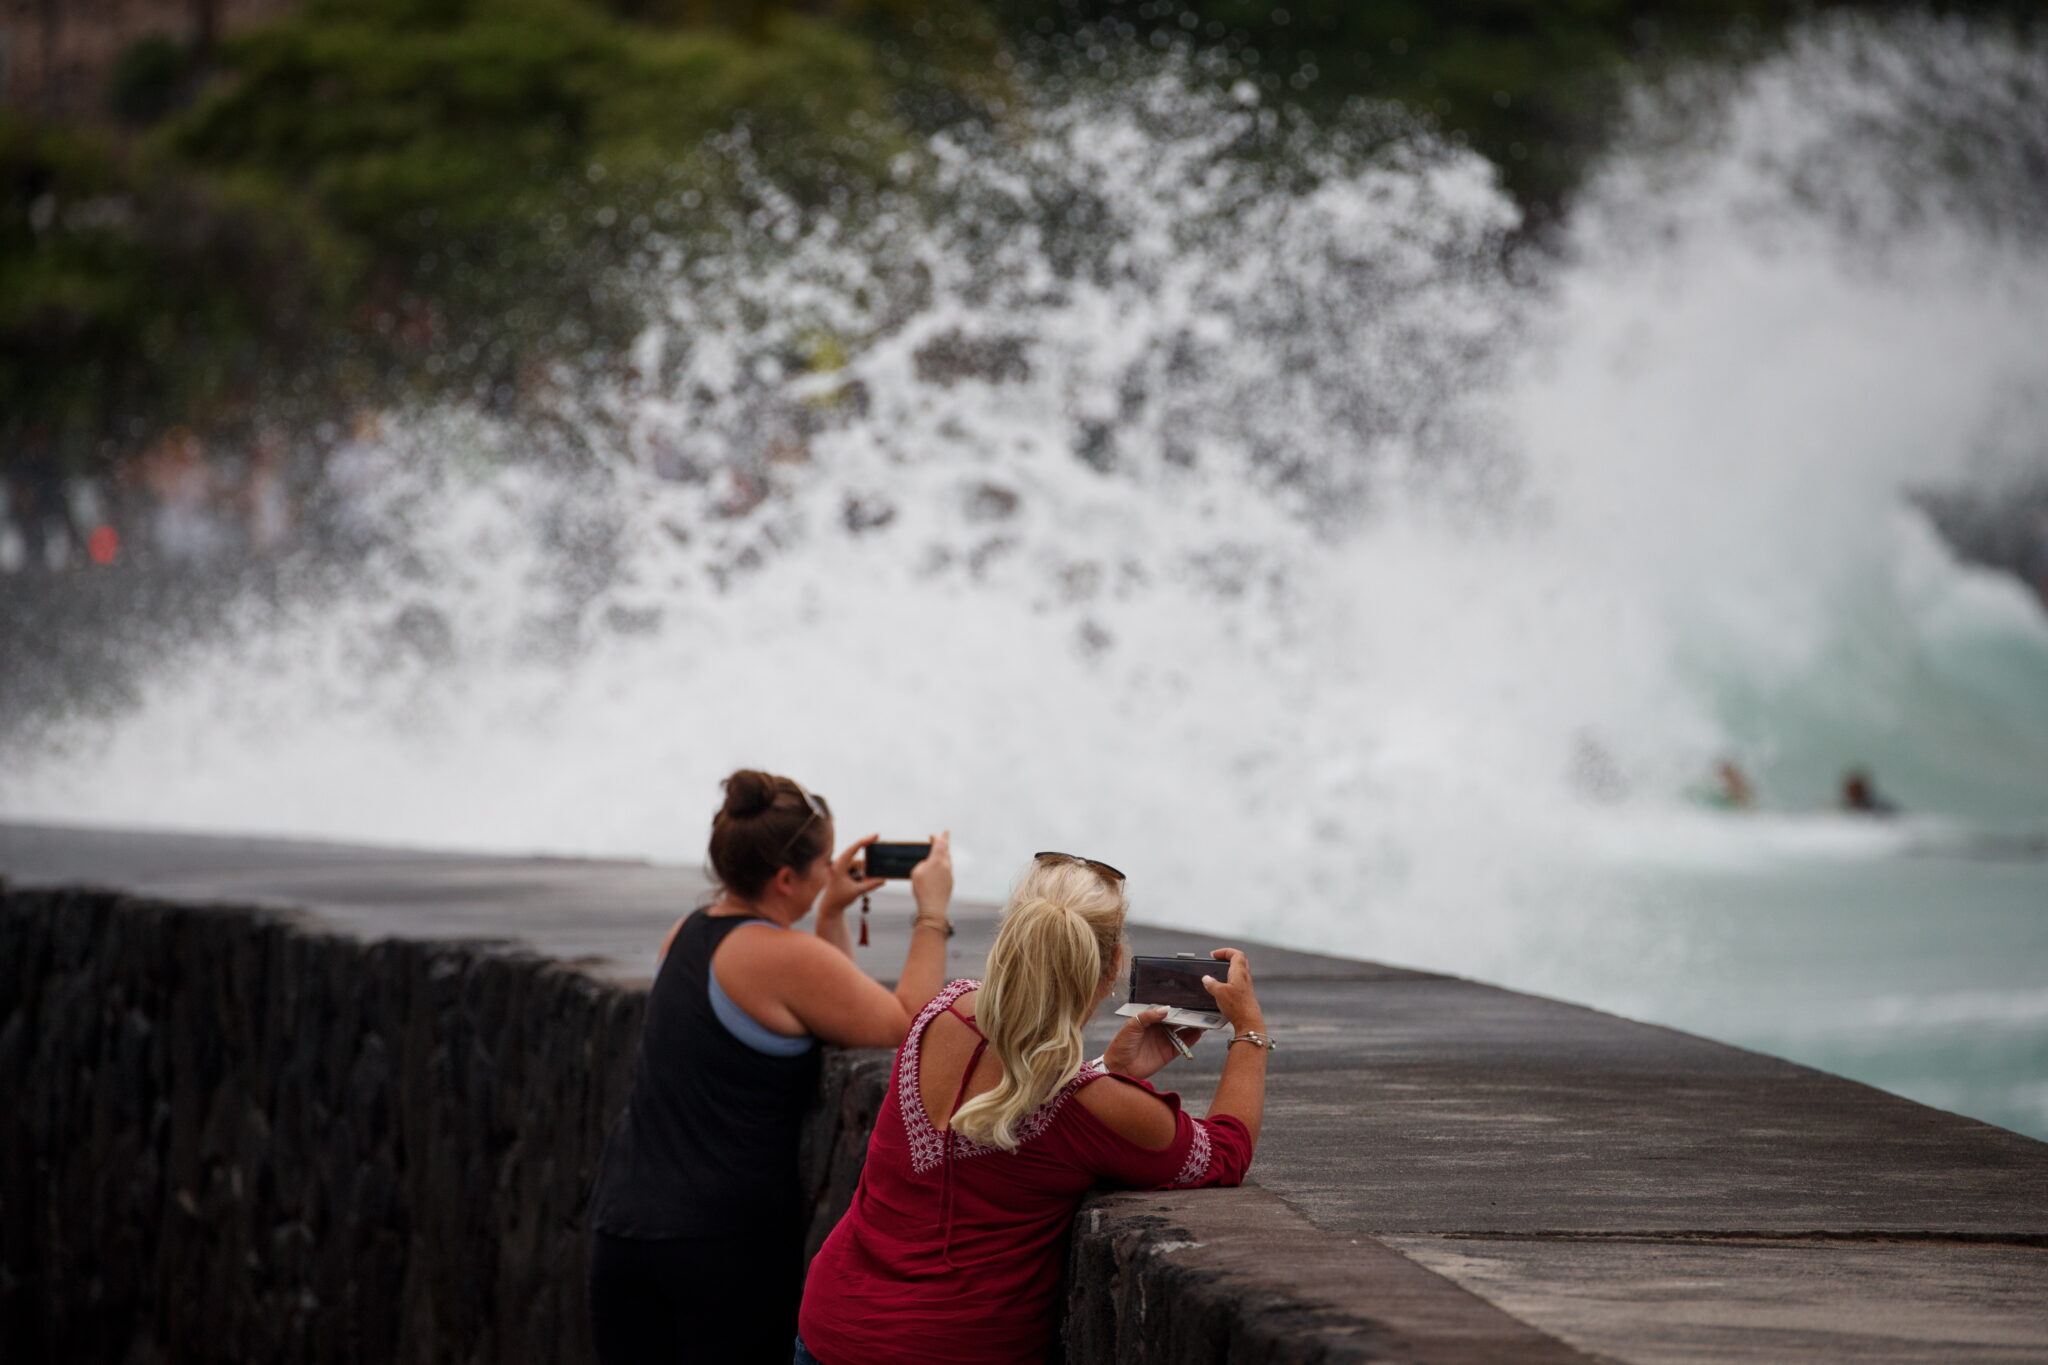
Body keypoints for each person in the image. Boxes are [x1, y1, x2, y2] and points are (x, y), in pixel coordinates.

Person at [795, 852, 1270, 1365]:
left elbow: (1015, 1094)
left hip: (833, 1327)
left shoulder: (939, 1013)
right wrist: (1248, 1028)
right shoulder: (1094, 1107)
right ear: (1112, 967)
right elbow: (1226, 1150)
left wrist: (1104, 1070)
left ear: (1010, 940)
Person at [588, 770, 955, 1365]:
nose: (832, 869)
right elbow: (908, 1021)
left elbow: (835, 1007)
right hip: (718, 1248)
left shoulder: (685, 934)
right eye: (823, 864)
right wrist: (932, 911)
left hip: (624, 1228)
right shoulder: (784, 958)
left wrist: (830, 914)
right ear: (786, 879)